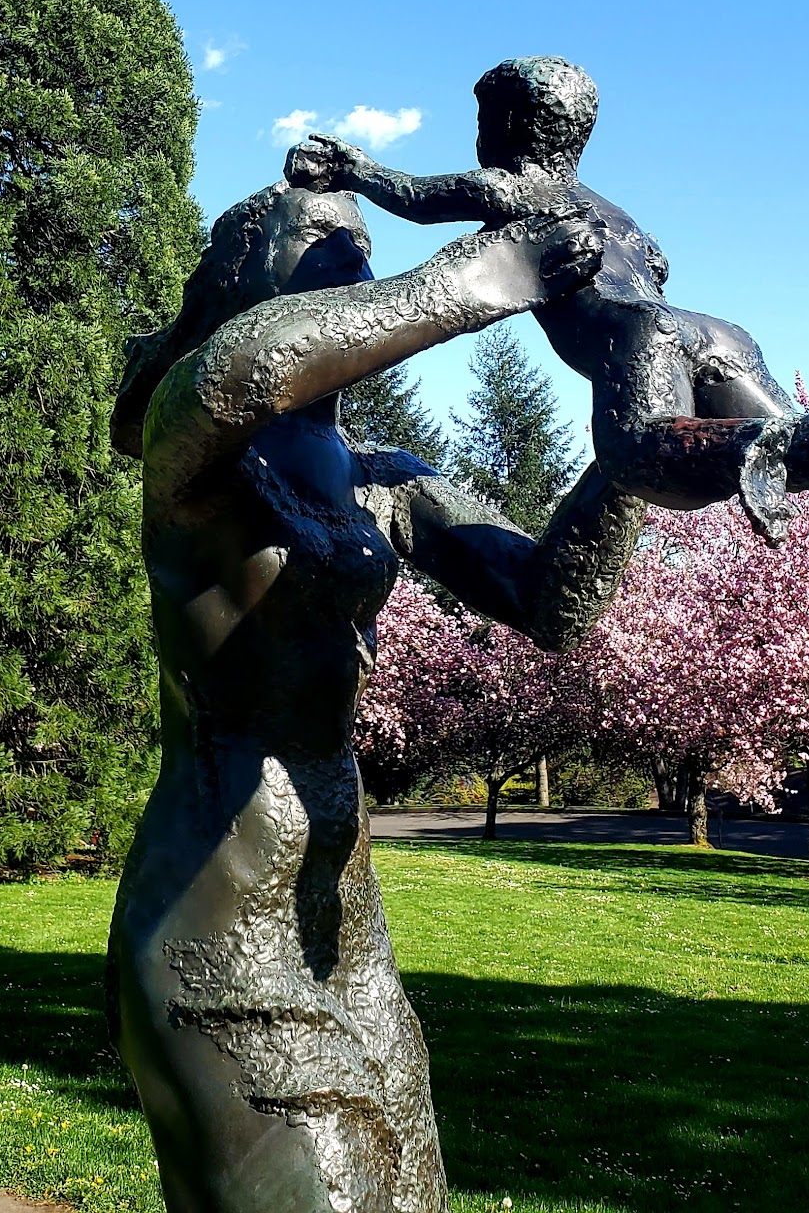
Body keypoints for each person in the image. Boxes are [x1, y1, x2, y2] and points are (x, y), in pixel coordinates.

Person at [106, 179, 640, 1213]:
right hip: (215, 912)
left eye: (360, 241)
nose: (350, 258)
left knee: (409, 1190)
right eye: (317, 239)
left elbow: (550, 599)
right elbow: (253, 366)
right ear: (239, 279)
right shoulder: (197, 431)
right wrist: (487, 273)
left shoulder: (380, 477)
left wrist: (633, 434)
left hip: (342, 919)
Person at [289, 56, 809, 543]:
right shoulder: (619, 214)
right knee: (800, 447)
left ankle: (749, 444)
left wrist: (351, 166)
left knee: (644, 458)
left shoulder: (516, 187)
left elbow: (414, 199)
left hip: (632, 334)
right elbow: (659, 267)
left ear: (506, 127)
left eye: (483, 121)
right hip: (714, 332)